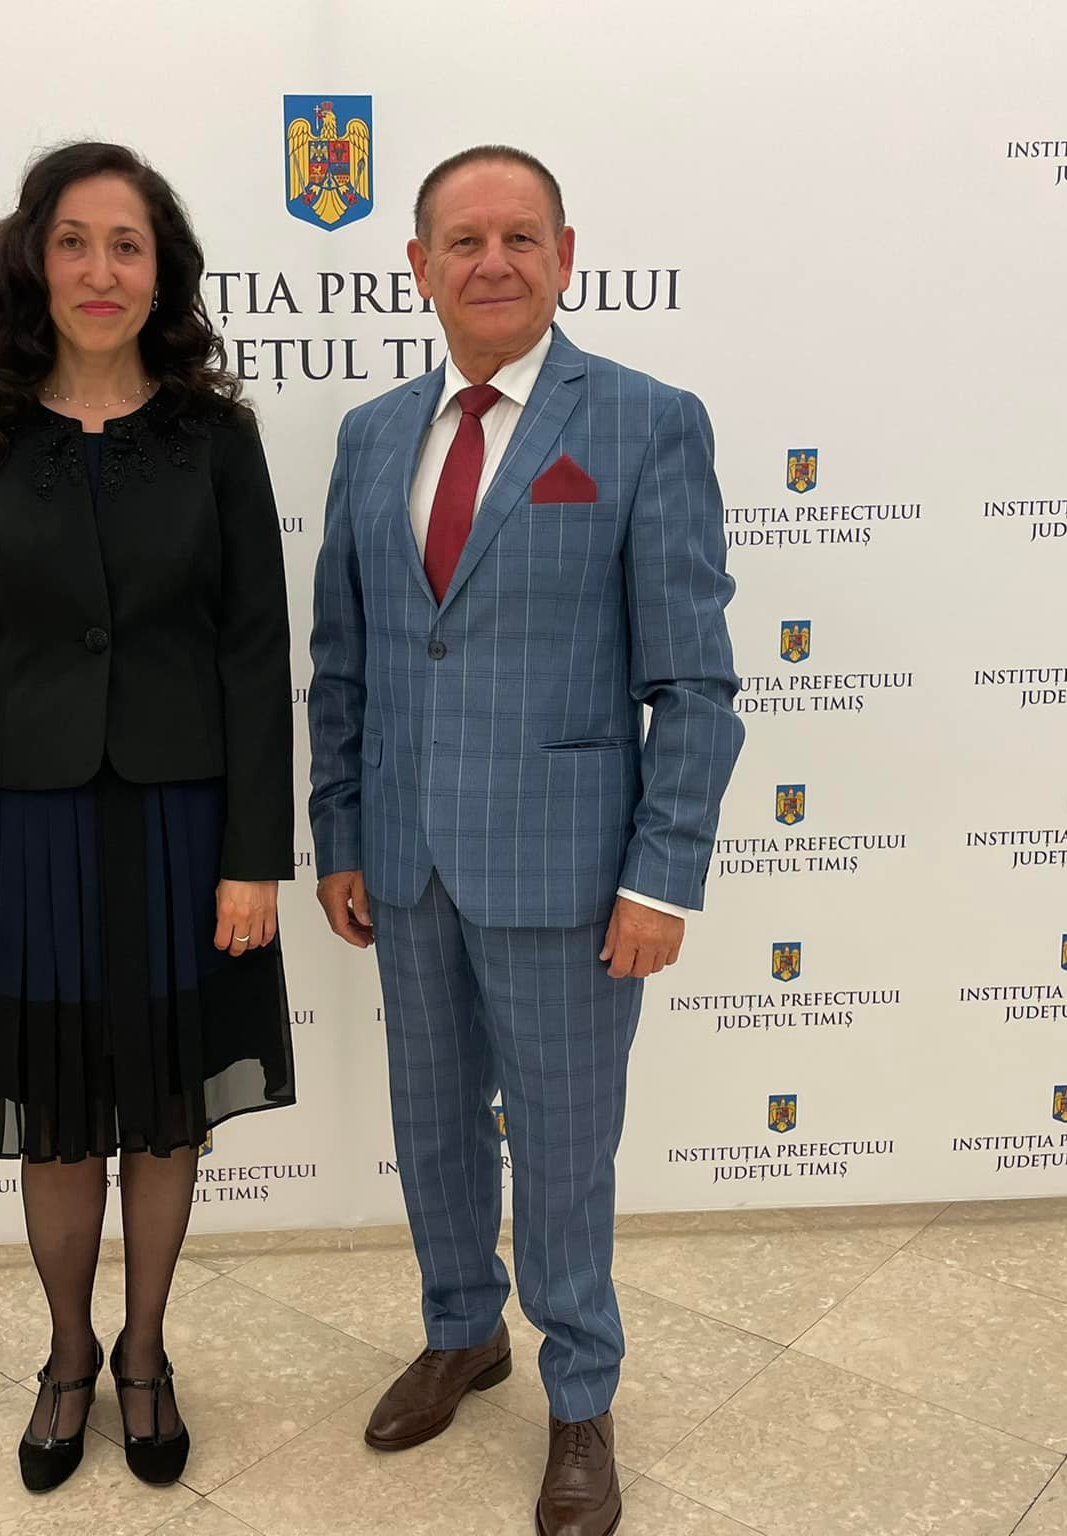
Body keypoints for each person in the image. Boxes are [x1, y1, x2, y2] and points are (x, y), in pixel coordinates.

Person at [307, 146, 743, 1536]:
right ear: (418, 267)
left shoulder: (645, 423)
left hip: (569, 873)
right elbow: (345, 659)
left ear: (564, 255)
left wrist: (661, 876)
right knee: (432, 1122)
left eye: (518, 237)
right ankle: (461, 1331)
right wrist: (338, 830)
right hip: (407, 861)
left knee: (562, 1145)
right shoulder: (373, 435)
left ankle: (580, 1395)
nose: (490, 260)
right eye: (462, 239)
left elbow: (695, 683)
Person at [0, 141, 295, 1496]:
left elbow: (254, 651)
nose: (100, 269)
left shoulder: (215, 436)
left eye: (127, 244)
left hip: (185, 826)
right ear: (34, 260)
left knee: (165, 1104)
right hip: (28, 833)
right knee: (61, 1109)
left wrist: (255, 857)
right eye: (74, 241)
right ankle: (69, 1356)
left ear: (161, 271)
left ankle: (146, 1353)